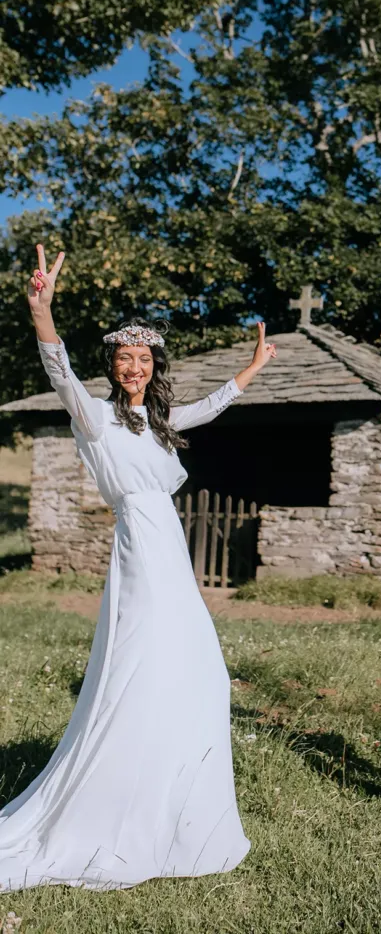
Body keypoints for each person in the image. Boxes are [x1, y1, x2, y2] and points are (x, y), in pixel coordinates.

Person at [0, 245, 277, 892]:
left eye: (144, 359)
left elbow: (207, 408)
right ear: (113, 367)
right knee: (143, 666)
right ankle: (121, 792)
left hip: (171, 555)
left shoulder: (157, 422)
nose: (133, 367)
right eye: (124, 359)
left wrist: (253, 369)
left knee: (199, 669)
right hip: (141, 558)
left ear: (154, 368)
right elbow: (60, 372)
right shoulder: (95, 419)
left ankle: (178, 790)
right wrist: (42, 311)